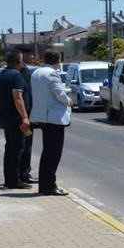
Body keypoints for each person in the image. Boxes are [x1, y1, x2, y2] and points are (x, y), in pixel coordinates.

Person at [30, 50, 71, 196]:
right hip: (53, 118)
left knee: (47, 153)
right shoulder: (52, 73)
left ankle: (44, 186)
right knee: (54, 154)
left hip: (41, 117)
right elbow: (59, 93)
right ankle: (50, 185)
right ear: (57, 61)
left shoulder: (36, 72)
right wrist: (68, 100)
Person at [0, 49, 32, 188]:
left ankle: (9, 179)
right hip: (16, 118)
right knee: (17, 149)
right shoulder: (16, 76)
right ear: (19, 61)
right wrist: (25, 117)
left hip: (6, 116)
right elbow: (18, 98)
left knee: (10, 148)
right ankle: (14, 181)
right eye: (21, 60)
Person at [19, 54, 36, 184]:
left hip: (23, 115)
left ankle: (23, 173)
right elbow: (22, 97)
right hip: (24, 116)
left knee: (24, 145)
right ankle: (23, 173)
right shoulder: (23, 73)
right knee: (24, 145)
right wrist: (26, 116)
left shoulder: (26, 72)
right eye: (30, 55)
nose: (33, 57)